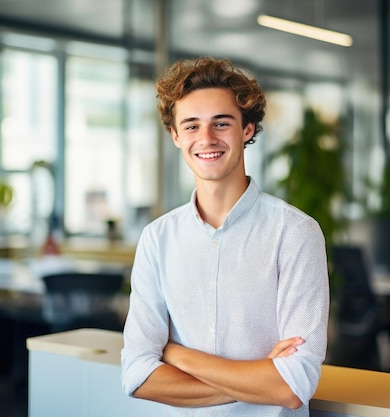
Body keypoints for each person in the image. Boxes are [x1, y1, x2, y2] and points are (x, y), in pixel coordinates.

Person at [121, 57, 329, 416]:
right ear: (175, 136)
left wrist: (174, 353)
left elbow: (292, 386)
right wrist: (258, 379)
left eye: (221, 123)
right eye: (191, 126)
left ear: (247, 129)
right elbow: (138, 376)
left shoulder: (296, 233)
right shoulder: (157, 239)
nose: (206, 139)